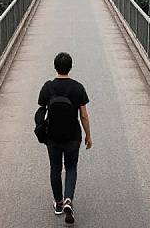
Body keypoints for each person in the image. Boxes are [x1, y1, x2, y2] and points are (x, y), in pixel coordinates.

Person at [38, 52, 92, 224]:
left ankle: (59, 203)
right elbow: (83, 115)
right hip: (72, 137)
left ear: (55, 67)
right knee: (70, 168)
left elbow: (41, 110)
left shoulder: (47, 87)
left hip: (52, 137)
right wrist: (88, 136)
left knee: (55, 168)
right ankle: (68, 199)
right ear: (70, 67)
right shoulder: (78, 87)